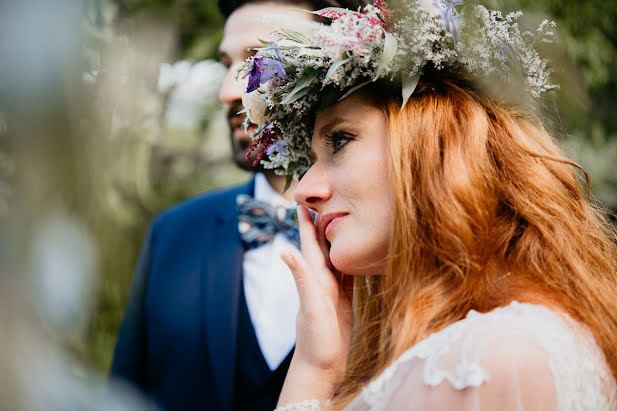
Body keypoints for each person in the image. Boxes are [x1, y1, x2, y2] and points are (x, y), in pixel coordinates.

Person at [238, 1, 617, 409]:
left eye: (340, 140)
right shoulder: (509, 335)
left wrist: (313, 374)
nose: (303, 190)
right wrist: (321, 361)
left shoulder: (477, 360)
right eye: (312, 161)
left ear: (438, 141)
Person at [110, 1, 367, 410]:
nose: (228, 91)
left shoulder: (393, 242)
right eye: (227, 63)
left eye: (260, 59)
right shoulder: (172, 233)